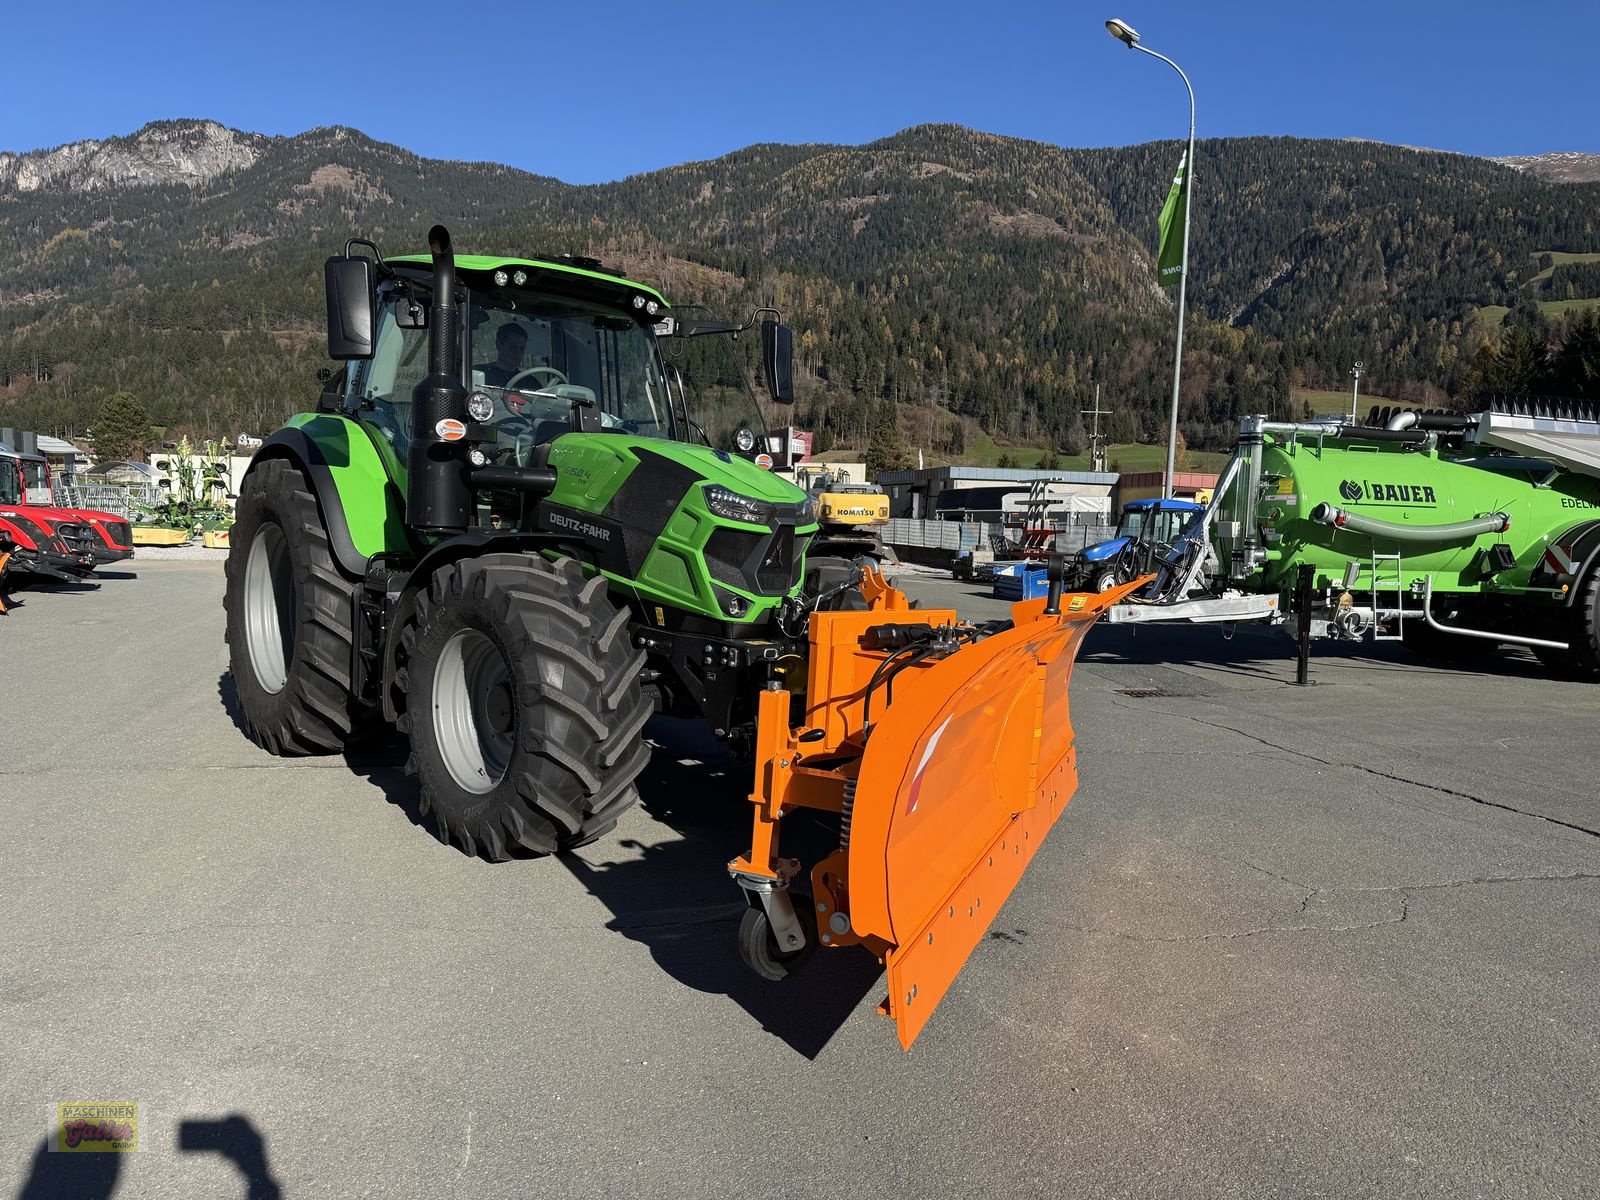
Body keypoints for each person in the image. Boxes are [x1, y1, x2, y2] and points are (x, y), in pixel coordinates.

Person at [476, 323, 528, 388]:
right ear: (499, 345)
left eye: (522, 348)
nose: (518, 353)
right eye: (512, 347)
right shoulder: (478, 374)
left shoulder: (530, 381)